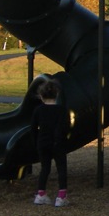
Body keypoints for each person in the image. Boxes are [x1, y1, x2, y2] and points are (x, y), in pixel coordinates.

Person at [31, 77, 71, 207]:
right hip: (58, 142)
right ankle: (61, 196)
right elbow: (66, 127)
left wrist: (36, 141)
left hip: (43, 142)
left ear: (41, 96)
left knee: (45, 168)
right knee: (61, 169)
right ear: (57, 94)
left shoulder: (38, 110)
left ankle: (41, 194)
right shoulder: (62, 110)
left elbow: (33, 128)